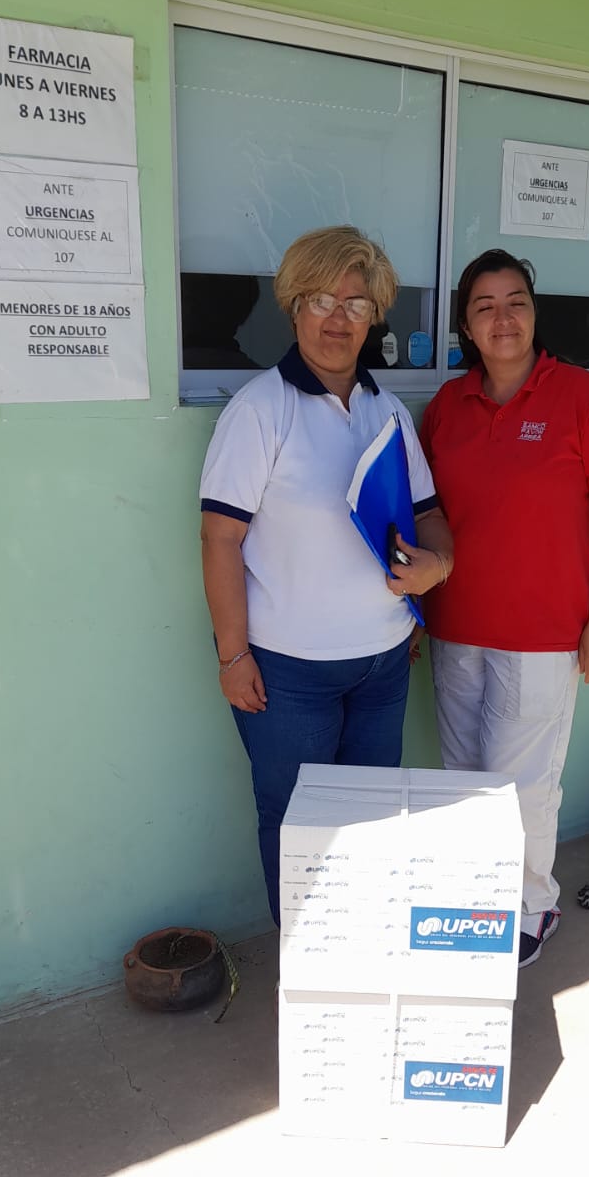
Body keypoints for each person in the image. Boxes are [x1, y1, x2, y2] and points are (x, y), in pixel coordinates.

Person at [199, 225, 454, 924]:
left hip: (383, 664)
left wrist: (436, 569)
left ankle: (357, 953)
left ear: (374, 317)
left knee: (369, 822)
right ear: (292, 306)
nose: (337, 318)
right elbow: (220, 538)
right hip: (288, 675)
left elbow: (429, 517)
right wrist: (232, 655)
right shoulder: (261, 409)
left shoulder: (386, 410)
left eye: (356, 303)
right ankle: (306, 966)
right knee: (296, 826)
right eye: (320, 299)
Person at [420, 249, 589, 968]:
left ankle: (530, 907)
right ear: (465, 325)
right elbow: (426, 517)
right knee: (464, 777)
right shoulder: (447, 407)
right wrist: (414, 616)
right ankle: (475, 895)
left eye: (515, 301)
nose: (503, 317)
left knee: (522, 786)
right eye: (484, 306)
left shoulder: (583, 399)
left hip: (543, 634)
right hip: (456, 625)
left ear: (534, 313)